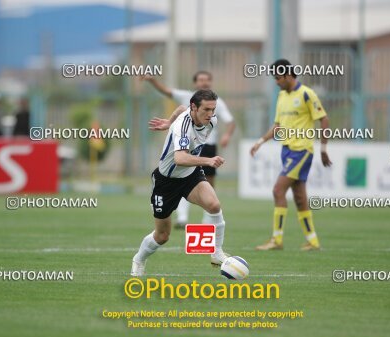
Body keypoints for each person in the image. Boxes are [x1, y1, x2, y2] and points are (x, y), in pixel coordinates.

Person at [131, 90, 230, 276]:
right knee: (162, 236)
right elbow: (180, 158)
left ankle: (216, 253)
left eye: (213, 109)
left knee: (214, 205)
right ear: (195, 107)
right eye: (206, 109)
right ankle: (139, 259)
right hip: (166, 181)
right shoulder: (182, 127)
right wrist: (208, 161)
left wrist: (169, 121)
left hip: (190, 176)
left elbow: (180, 108)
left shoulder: (210, 120)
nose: (210, 114)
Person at [250, 59, 332, 251]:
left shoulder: (306, 94)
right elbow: (277, 126)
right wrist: (260, 141)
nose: (276, 82)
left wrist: (323, 149)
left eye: (278, 78)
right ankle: (313, 241)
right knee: (300, 198)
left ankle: (276, 240)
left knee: (278, 191)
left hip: (301, 151)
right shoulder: (281, 95)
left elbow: (324, 119)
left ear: (288, 75)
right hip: (286, 150)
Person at [142, 71, 235, 229]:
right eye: (201, 80)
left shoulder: (214, 105)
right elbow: (176, 104)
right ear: (195, 83)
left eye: (207, 80)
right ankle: (182, 217)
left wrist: (226, 135)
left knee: (211, 198)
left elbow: (230, 121)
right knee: (162, 235)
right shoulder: (188, 100)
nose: (210, 113)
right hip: (176, 164)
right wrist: (170, 122)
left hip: (205, 149)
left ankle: (211, 234)